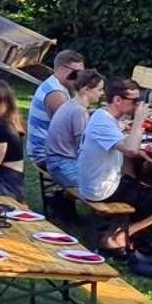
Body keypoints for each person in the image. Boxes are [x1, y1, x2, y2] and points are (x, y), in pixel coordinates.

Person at [76, 77, 152, 275]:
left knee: (142, 184)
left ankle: (115, 236)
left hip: (99, 181)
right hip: (100, 188)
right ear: (118, 100)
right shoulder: (102, 121)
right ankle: (118, 239)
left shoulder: (105, 117)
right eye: (134, 101)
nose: (137, 105)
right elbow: (131, 151)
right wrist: (139, 122)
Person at [42, 69, 105, 207]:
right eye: (100, 90)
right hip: (63, 166)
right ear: (86, 89)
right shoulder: (79, 111)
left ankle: (61, 200)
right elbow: (84, 148)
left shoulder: (71, 104)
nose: (102, 93)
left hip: (56, 162)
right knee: (105, 186)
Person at [26, 48, 85, 160]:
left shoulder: (58, 84)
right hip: (46, 156)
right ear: (62, 69)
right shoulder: (56, 94)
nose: (80, 78)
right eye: (76, 73)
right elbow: (70, 129)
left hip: (53, 150)